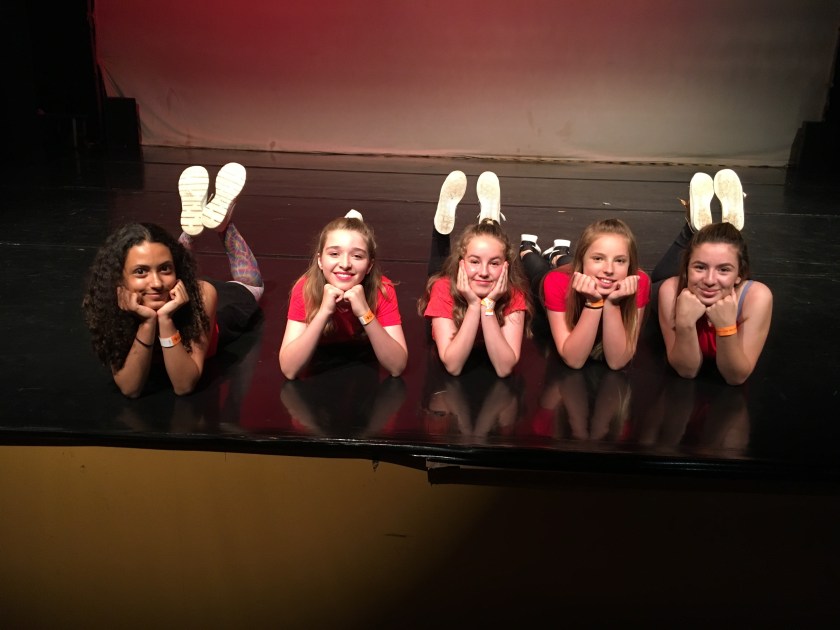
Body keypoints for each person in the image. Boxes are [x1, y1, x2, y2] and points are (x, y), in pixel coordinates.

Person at [83, 162, 263, 397]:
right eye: (141, 271)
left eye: (165, 269)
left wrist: (165, 319)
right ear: (119, 278)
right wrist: (148, 322)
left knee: (251, 287)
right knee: (243, 281)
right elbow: (130, 388)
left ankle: (221, 225)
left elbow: (184, 384)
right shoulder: (110, 304)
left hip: (210, 305)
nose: (156, 282)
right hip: (176, 291)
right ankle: (209, 226)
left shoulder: (203, 295)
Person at [653, 169, 773, 385]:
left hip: (720, 284)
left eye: (724, 270)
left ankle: (697, 226)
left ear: (740, 275)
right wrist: (685, 323)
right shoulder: (670, 291)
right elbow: (687, 370)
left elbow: (736, 377)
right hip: (672, 283)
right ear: (686, 269)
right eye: (699, 267)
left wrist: (726, 326)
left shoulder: (757, 297)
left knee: (715, 254)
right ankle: (692, 228)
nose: (709, 279)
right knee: (658, 278)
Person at [418, 170, 530, 378]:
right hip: (450, 288)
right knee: (437, 275)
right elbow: (453, 365)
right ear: (462, 263)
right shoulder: (443, 288)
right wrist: (472, 305)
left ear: (506, 266)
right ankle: (443, 230)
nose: (484, 272)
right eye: (474, 262)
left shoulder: (513, 294)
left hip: (480, 294)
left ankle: (489, 222)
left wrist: (487, 305)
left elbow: (504, 368)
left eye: (494, 263)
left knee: (487, 248)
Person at [278, 210, 407, 379]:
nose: (345, 264)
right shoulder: (306, 288)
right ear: (320, 260)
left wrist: (364, 313)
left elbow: (397, 367)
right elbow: (289, 370)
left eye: (357, 256)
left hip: (364, 369)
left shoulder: (382, 289)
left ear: (369, 265)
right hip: (320, 368)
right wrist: (324, 311)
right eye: (334, 254)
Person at [520, 218, 650, 370]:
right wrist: (593, 303)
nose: (609, 270)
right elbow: (574, 360)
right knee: (538, 269)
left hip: (582, 271)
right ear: (582, 261)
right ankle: (527, 251)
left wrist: (612, 304)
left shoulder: (639, 281)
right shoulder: (557, 281)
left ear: (630, 264)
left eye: (620, 261)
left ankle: (558, 254)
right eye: (598, 258)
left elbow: (617, 362)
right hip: (554, 280)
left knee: (577, 266)